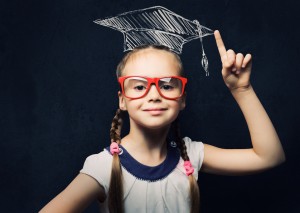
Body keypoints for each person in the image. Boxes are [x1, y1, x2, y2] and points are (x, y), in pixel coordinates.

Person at [40, 30, 286, 213]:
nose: (154, 94)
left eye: (167, 85)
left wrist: (241, 89)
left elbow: (269, 156)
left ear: (182, 100)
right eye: (139, 86)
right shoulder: (102, 167)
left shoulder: (191, 154)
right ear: (123, 99)